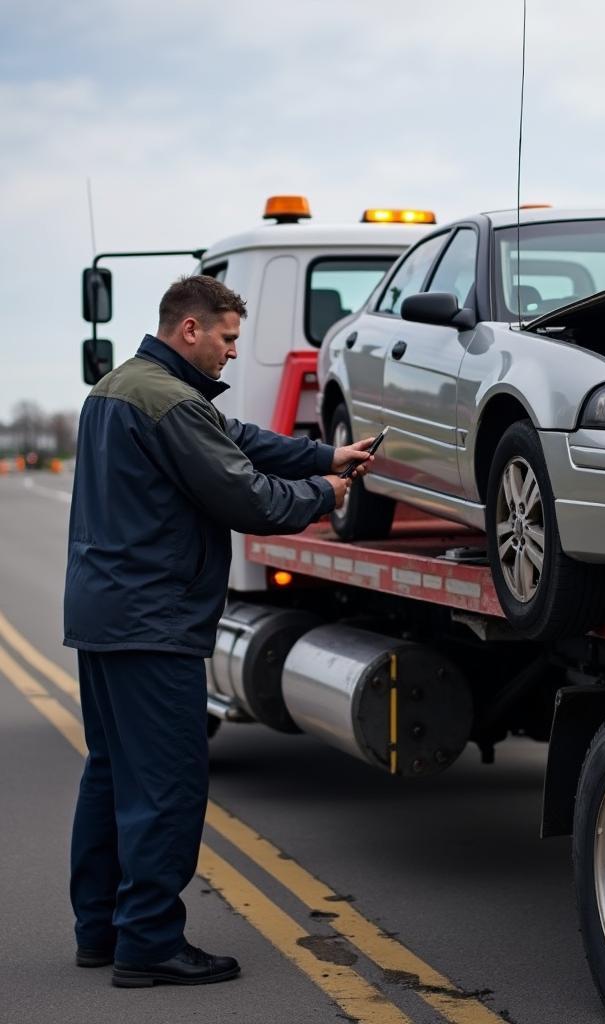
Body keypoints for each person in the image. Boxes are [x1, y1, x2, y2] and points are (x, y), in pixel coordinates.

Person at [63, 275, 374, 988]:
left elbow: (237, 439)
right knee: (166, 786)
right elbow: (246, 495)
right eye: (229, 337)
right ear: (190, 330)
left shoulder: (124, 386)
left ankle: (101, 931)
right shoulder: (172, 404)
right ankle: (148, 944)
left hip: (107, 614)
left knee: (111, 776)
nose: (235, 351)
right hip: (155, 622)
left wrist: (325, 455)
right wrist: (320, 495)